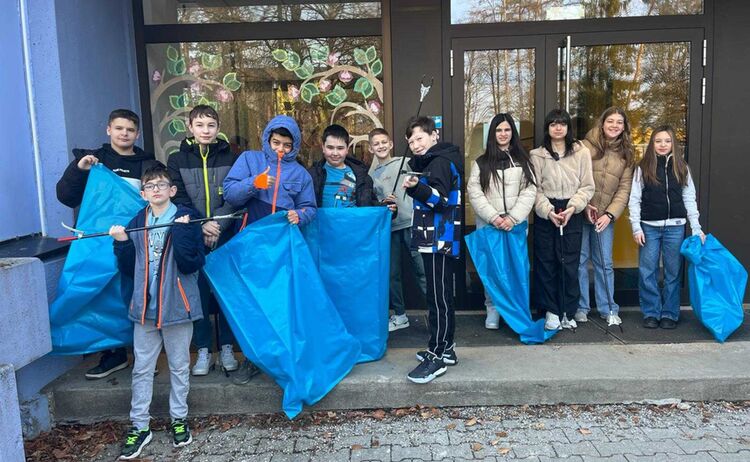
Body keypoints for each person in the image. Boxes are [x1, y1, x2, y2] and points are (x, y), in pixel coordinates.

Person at [110, 164, 205, 459]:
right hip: (144, 310)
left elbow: (192, 263)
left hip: (177, 306)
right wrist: (121, 242)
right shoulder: (137, 221)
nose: (156, 190)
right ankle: (140, 426)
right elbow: (127, 269)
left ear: (172, 190)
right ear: (143, 193)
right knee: (142, 369)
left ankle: (179, 420)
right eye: (150, 186)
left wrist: (186, 233)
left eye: (162, 185)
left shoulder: (186, 217)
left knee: (178, 366)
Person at [56, 108, 157, 380]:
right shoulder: (92, 160)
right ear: (108, 130)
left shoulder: (148, 164)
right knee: (100, 296)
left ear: (137, 134)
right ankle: (111, 353)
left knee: (134, 292)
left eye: (130, 130)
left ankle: (143, 354)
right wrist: (80, 170)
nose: (124, 134)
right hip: (97, 243)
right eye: (119, 128)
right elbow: (66, 196)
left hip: (136, 238)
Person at [223, 115, 317, 384]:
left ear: (295, 146)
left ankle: (284, 359)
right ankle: (253, 359)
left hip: (283, 247)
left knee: (281, 304)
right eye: (276, 142)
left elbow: (310, 208)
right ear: (266, 139)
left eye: (287, 145)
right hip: (250, 244)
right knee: (252, 304)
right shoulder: (250, 160)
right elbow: (229, 193)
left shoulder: (300, 173)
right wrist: (255, 183)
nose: (280, 150)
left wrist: (300, 215)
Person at [167, 105, 239, 376]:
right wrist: (202, 226)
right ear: (190, 127)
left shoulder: (231, 157)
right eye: (200, 125)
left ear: (218, 128)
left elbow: (233, 197)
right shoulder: (177, 160)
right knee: (197, 294)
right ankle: (204, 350)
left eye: (210, 125)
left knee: (225, 293)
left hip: (224, 235)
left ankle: (228, 347)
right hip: (194, 236)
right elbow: (179, 198)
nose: (205, 130)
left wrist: (217, 225)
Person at [402, 116, 463, 384]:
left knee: (438, 296)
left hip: (439, 238)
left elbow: (438, 201)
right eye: (411, 140)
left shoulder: (439, 161)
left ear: (434, 135)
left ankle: (437, 355)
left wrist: (416, 188)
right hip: (436, 238)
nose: (415, 144)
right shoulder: (436, 159)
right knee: (441, 294)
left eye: (420, 138)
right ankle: (445, 347)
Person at [628, 125, 705, 329]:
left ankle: (670, 313)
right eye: (658, 141)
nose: (663, 145)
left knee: (673, 272)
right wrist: (636, 227)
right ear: (652, 143)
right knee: (647, 270)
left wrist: (696, 228)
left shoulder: (682, 168)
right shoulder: (642, 168)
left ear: (674, 144)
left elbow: (689, 199)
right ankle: (651, 312)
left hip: (675, 228)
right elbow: (634, 200)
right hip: (649, 228)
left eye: (667, 141)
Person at [466, 113, 536, 329]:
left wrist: (513, 217)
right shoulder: (481, 162)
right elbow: (474, 192)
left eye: (507, 130)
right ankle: (493, 309)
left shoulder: (524, 160)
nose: (503, 134)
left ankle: (515, 309)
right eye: (498, 130)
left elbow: (530, 190)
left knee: (517, 268)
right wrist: (494, 217)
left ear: (512, 133)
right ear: (492, 134)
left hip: (515, 225)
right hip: (490, 224)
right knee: (493, 268)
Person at [530, 109, 594, 331]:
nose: (558, 128)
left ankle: (568, 309)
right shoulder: (537, 155)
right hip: (546, 211)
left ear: (568, 127)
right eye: (553, 124)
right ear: (547, 128)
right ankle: (551, 311)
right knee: (546, 263)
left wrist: (572, 207)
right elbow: (534, 189)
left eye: (562, 124)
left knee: (570, 263)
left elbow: (587, 186)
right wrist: (548, 211)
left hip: (571, 211)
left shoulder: (581, 152)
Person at [575, 107, 635, 327]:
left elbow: (624, 188)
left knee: (604, 263)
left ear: (624, 127)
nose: (614, 126)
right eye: (611, 121)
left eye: (619, 122)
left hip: (605, 217)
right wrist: (584, 205)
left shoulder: (626, 153)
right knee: (580, 261)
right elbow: (576, 178)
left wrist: (610, 214)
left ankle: (608, 308)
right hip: (582, 212)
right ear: (602, 123)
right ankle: (581, 307)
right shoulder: (584, 146)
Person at [368, 128, 427, 332]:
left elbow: (421, 182)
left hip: (411, 223)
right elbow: (372, 201)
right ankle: (400, 315)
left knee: (422, 270)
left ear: (391, 144)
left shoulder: (405, 161)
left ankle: (435, 312)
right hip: (389, 228)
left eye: (384, 142)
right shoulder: (371, 174)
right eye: (376, 143)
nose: (381, 146)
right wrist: (383, 203)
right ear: (370, 148)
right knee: (392, 273)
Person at [309, 124, 380, 208]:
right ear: (323, 147)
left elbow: (370, 205)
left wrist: (387, 207)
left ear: (347, 149)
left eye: (340, 148)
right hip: (322, 221)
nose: (335, 153)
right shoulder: (311, 175)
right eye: (330, 148)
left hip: (352, 221)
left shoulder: (361, 176)